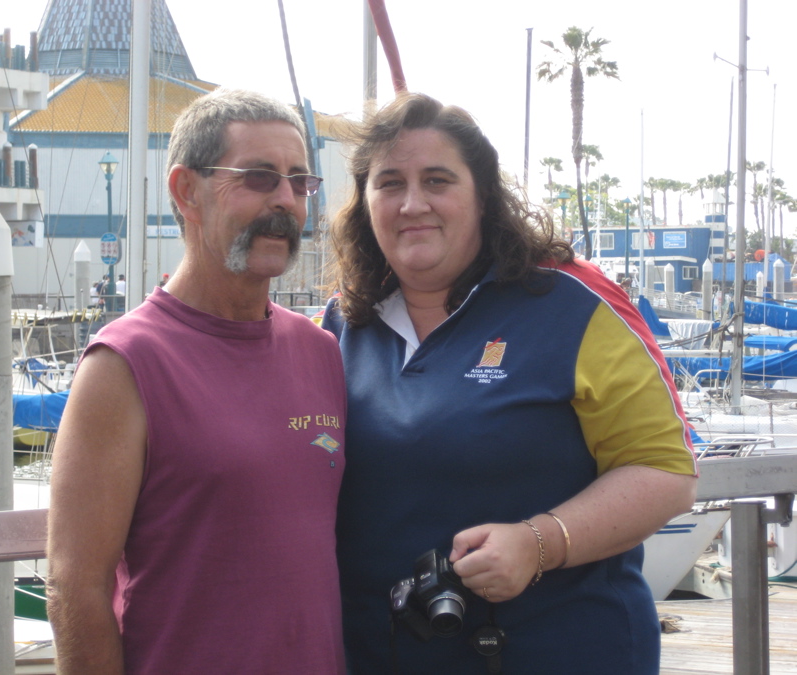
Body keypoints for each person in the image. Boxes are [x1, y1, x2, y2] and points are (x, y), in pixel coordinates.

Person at [321, 93, 697, 674]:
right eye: (389, 183)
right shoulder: (344, 322)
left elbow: (665, 471)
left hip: (557, 651)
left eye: (438, 180)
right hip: (379, 652)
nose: (412, 203)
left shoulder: (572, 303)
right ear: (365, 202)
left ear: (483, 196)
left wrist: (539, 542)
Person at [47, 89, 347, 674]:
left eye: (298, 181)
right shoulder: (123, 366)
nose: (285, 201)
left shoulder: (321, 351)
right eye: (259, 178)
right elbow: (73, 589)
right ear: (187, 191)